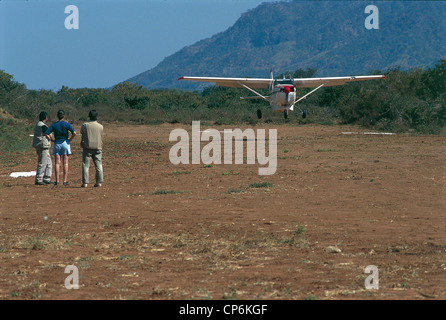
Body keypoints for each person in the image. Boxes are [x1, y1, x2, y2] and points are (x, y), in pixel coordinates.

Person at [45, 110, 76, 186]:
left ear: (57, 116)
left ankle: (57, 181)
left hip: (57, 143)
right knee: (65, 163)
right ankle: (65, 181)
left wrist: (51, 139)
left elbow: (46, 133)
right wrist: (70, 139)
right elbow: (74, 133)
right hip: (65, 143)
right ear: (63, 116)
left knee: (57, 163)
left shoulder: (54, 125)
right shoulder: (67, 124)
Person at [80, 109, 104, 188]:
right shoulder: (101, 126)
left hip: (87, 147)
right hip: (98, 148)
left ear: (89, 116)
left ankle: (85, 183)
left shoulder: (85, 125)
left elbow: (81, 132)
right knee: (99, 165)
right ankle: (99, 181)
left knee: (86, 165)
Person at [32, 111, 53, 185]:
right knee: (42, 162)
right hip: (43, 146)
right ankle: (39, 179)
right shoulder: (42, 125)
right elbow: (49, 134)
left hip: (41, 146)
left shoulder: (38, 124)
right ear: (46, 118)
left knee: (48, 163)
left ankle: (47, 177)